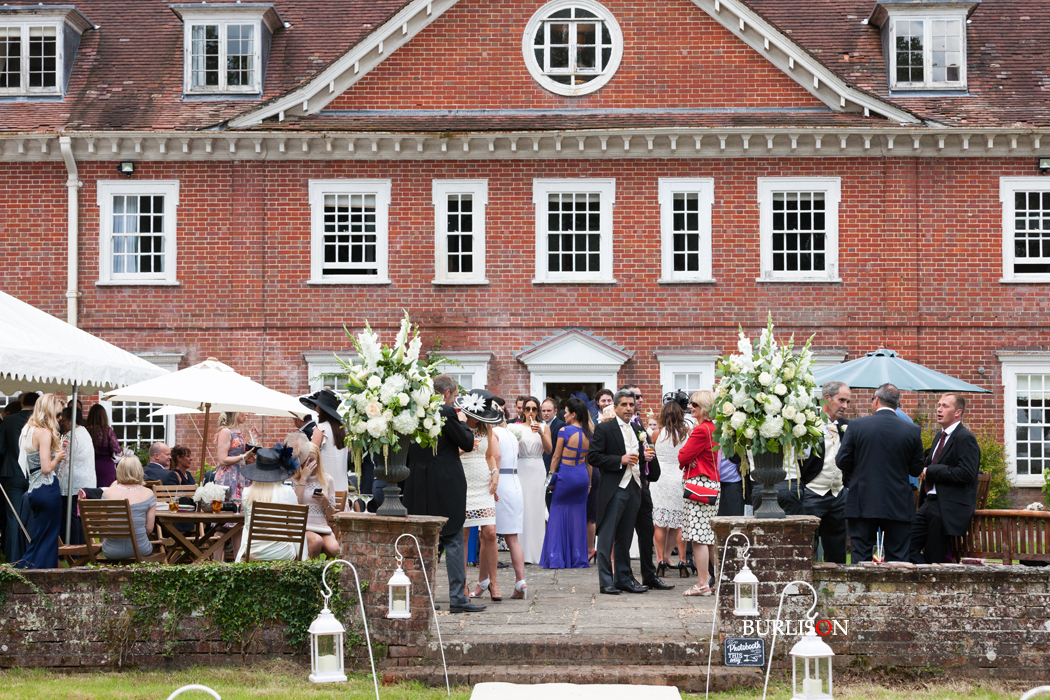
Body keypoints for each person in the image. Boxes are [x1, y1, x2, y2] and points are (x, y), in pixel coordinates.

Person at [408, 374, 484, 613]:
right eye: (454, 395)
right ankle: (458, 597)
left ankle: (422, 597)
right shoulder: (447, 413)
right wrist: (462, 421)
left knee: (423, 540)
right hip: (446, 484)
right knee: (452, 538)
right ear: (447, 393)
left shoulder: (412, 411)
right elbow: (467, 443)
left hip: (418, 484)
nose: (454, 401)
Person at [836, 383, 925, 562]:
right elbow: (916, 469)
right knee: (898, 558)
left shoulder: (857, 425)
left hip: (862, 500)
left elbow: (841, 461)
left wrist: (860, 471)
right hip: (898, 503)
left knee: (861, 557)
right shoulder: (912, 430)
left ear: (876, 400)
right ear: (897, 404)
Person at [588, 389, 660, 595]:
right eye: (624, 405)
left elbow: (642, 456)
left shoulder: (637, 428)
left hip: (635, 486)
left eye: (631, 405)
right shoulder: (605, 428)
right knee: (606, 536)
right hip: (614, 488)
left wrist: (646, 460)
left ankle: (623, 579)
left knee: (626, 536)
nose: (629, 408)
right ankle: (605, 581)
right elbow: (593, 457)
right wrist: (619, 460)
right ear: (615, 407)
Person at [909, 393, 981, 565]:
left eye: (945, 406)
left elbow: (967, 473)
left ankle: (934, 577)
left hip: (947, 507)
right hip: (929, 503)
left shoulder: (965, 437)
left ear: (958, 412)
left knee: (936, 556)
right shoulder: (939, 437)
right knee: (904, 546)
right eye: (939, 405)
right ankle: (928, 572)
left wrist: (932, 471)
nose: (939, 409)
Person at [621, 384, 672, 592]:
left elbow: (646, 447)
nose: (639, 400)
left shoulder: (640, 424)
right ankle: (625, 576)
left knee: (647, 530)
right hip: (626, 484)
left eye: (640, 397)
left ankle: (649, 576)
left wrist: (649, 467)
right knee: (625, 533)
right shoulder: (619, 425)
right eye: (635, 397)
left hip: (643, 483)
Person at [797, 381, 851, 564]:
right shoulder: (808, 424)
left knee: (837, 549)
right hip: (813, 492)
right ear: (827, 398)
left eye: (847, 402)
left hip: (838, 494)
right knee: (806, 546)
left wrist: (846, 487)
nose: (845, 406)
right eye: (841, 400)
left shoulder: (846, 426)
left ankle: (835, 581)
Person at [456, 389, 502, 602]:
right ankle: (463, 584)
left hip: (484, 483)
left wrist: (495, 473)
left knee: (490, 533)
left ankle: (493, 583)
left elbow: (489, 456)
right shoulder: (457, 424)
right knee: (464, 534)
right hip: (462, 481)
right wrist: (466, 448)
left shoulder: (487, 427)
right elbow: (449, 453)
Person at [14, 393, 66, 570]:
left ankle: (30, 575)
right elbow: (46, 468)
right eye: (58, 414)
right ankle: (26, 573)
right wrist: (57, 457)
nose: (60, 418)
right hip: (47, 489)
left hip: (34, 490)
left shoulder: (27, 430)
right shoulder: (44, 433)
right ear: (49, 412)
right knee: (47, 541)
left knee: (40, 539)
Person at [539, 397, 592, 569]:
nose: (565, 415)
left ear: (574, 414)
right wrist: (589, 484)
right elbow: (589, 463)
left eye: (567, 412)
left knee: (556, 514)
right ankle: (577, 558)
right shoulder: (588, 433)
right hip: (582, 477)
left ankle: (556, 558)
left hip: (566, 475)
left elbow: (555, 457)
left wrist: (549, 479)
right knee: (578, 517)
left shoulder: (564, 430)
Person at [677, 391, 720, 596]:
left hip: (699, 484)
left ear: (704, 407)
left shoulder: (701, 429)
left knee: (698, 537)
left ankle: (703, 583)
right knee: (709, 537)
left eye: (694, 404)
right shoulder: (713, 428)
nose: (690, 406)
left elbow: (683, 455)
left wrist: (688, 458)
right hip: (711, 483)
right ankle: (719, 580)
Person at [235, 445, 307, 562]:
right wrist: (302, 557)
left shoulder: (247, 493)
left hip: (252, 551)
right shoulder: (288, 492)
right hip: (282, 553)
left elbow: (247, 525)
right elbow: (296, 528)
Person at [491, 398, 527, 599]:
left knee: (488, 536)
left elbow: (496, 457)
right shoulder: (511, 434)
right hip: (515, 482)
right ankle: (520, 581)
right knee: (512, 537)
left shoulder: (493, 434)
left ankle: (486, 582)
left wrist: (493, 479)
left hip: (501, 482)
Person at [650, 400, 689, 577]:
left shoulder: (656, 434)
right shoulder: (687, 433)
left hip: (660, 479)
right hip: (679, 478)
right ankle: (682, 560)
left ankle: (660, 560)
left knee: (659, 523)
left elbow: (650, 455)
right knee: (679, 523)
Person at [287, 433, 340, 559]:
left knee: (335, 549)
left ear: (318, 460)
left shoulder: (327, 480)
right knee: (316, 541)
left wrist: (325, 502)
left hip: (322, 527)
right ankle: (309, 569)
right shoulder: (293, 480)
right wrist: (303, 478)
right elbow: (295, 505)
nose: (308, 464)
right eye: (305, 460)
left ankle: (322, 569)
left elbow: (332, 517)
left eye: (312, 460)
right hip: (301, 526)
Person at [0, 391, 37, 563]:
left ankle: (12, 557)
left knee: (13, 517)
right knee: (33, 515)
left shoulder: (8, 421)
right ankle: (31, 554)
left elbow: (0, 448)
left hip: (13, 473)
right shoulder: (40, 422)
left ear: (21, 404)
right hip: (35, 473)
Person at [99, 454, 157, 560]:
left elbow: (104, 526)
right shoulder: (148, 493)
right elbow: (149, 528)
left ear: (119, 471)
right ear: (139, 471)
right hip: (140, 549)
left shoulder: (107, 493)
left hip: (112, 550)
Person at [516, 395, 551, 564]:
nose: (530, 412)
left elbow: (549, 450)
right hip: (521, 467)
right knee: (522, 507)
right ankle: (521, 552)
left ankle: (537, 552)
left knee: (537, 508)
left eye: (534, 409)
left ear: (538, 411)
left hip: (537, 468)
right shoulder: (516, 428)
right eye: (527, 408)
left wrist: (541, 433)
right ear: (523, 410)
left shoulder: (544, 427)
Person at [56, 406, 96, 546]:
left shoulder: (70, 435)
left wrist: (56, 478)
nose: (61, 423)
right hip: (87, 483)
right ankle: (81, 549)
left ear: (71, 421)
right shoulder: (84, 432)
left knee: (70, 519)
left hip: (72, 484)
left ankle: (72, 550)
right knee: (80, 519)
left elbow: (63, 461)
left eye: (63, 420)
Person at [303, 389, 351, 492]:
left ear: (321, 408)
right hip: (342, 484)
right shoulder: (344, 429)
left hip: (324, 483)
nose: (315, 408)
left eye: (317, 405)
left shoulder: (320, 428)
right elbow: (348, 450)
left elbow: (311, 456)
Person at [214, 412, 256, 504]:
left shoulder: (238, 432)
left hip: (241, 475)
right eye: (244, 411)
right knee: (230, 507)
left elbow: (242, 455)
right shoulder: (225, 431)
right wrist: (244, 456)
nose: (247, 414)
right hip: (229, 476)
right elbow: (222, 460)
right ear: (235, 412)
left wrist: (254, 439)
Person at [84, 404, 121, 489]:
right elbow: (118, 453)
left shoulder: (85, 430)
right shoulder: (107, 430)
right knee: (107, 494)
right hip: (106, 468)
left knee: (91, 494)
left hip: (89, 467)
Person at [540, 397, 566, 474]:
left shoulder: (561, 426)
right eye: (543, 411)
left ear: (555, 411)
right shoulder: (540, 425)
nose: (546, 413)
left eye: (549, 411)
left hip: (554, 470)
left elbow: (560, 453)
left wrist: (554, 472)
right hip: (541, 468)